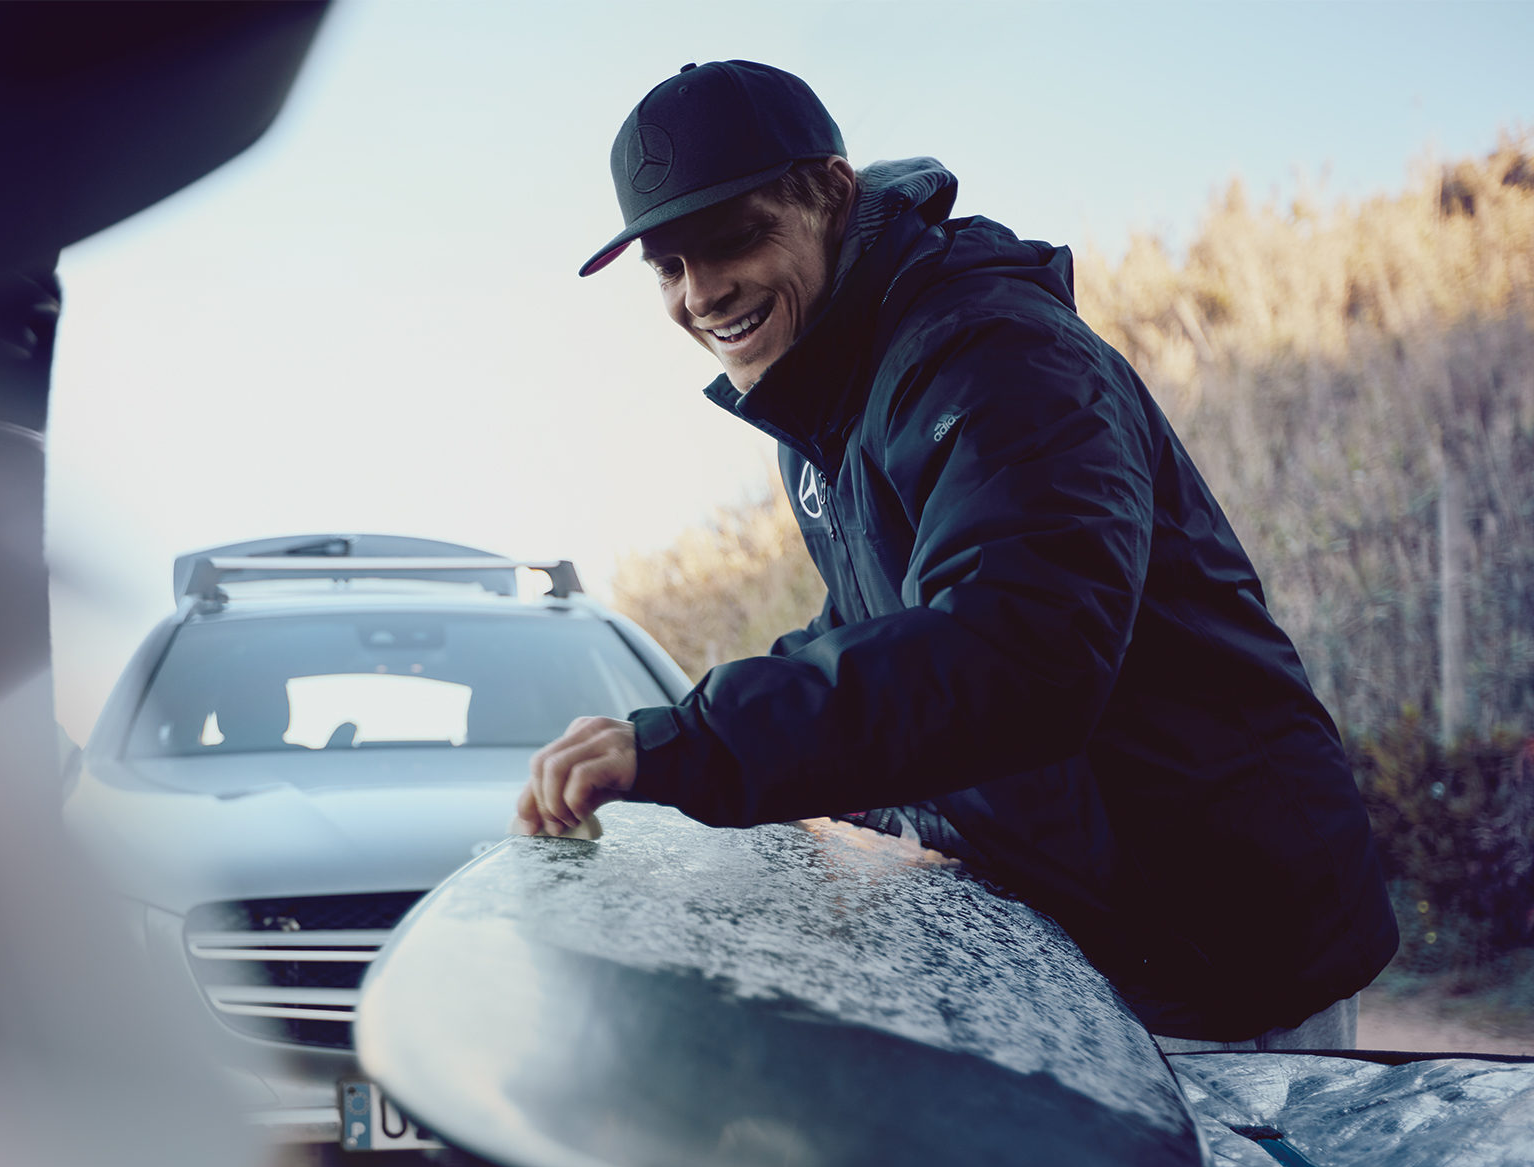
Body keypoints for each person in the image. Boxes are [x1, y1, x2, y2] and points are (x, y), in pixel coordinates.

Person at [513, 59, 1397, 1049]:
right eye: (669, 268)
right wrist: (695, 736)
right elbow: (874, 633)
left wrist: (705, 745)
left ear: (832, 197)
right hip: (1090, 953)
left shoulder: (999, 355)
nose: (702, 293)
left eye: (735, 240)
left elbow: (1017, 655)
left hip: (1222, 947)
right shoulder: (833, 409)